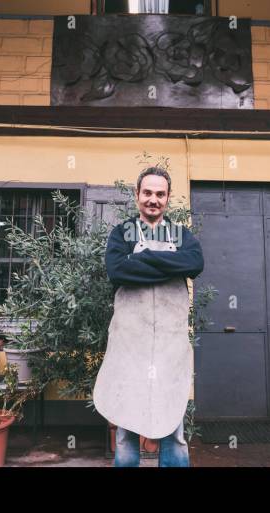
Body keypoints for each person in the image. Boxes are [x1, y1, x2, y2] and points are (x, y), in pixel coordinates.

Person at [93, 167, 204, 467]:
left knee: (174, 429)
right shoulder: (121, 234)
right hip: (130, 346)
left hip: (170, 347)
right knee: (127, 430)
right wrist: (171, 264)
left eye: (160, 194)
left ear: (168, 198)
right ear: (137, 195)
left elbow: (194, 263)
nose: (153, 200)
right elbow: (118, 270)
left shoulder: (181, 235)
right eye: (147, 193)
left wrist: (143, 259)